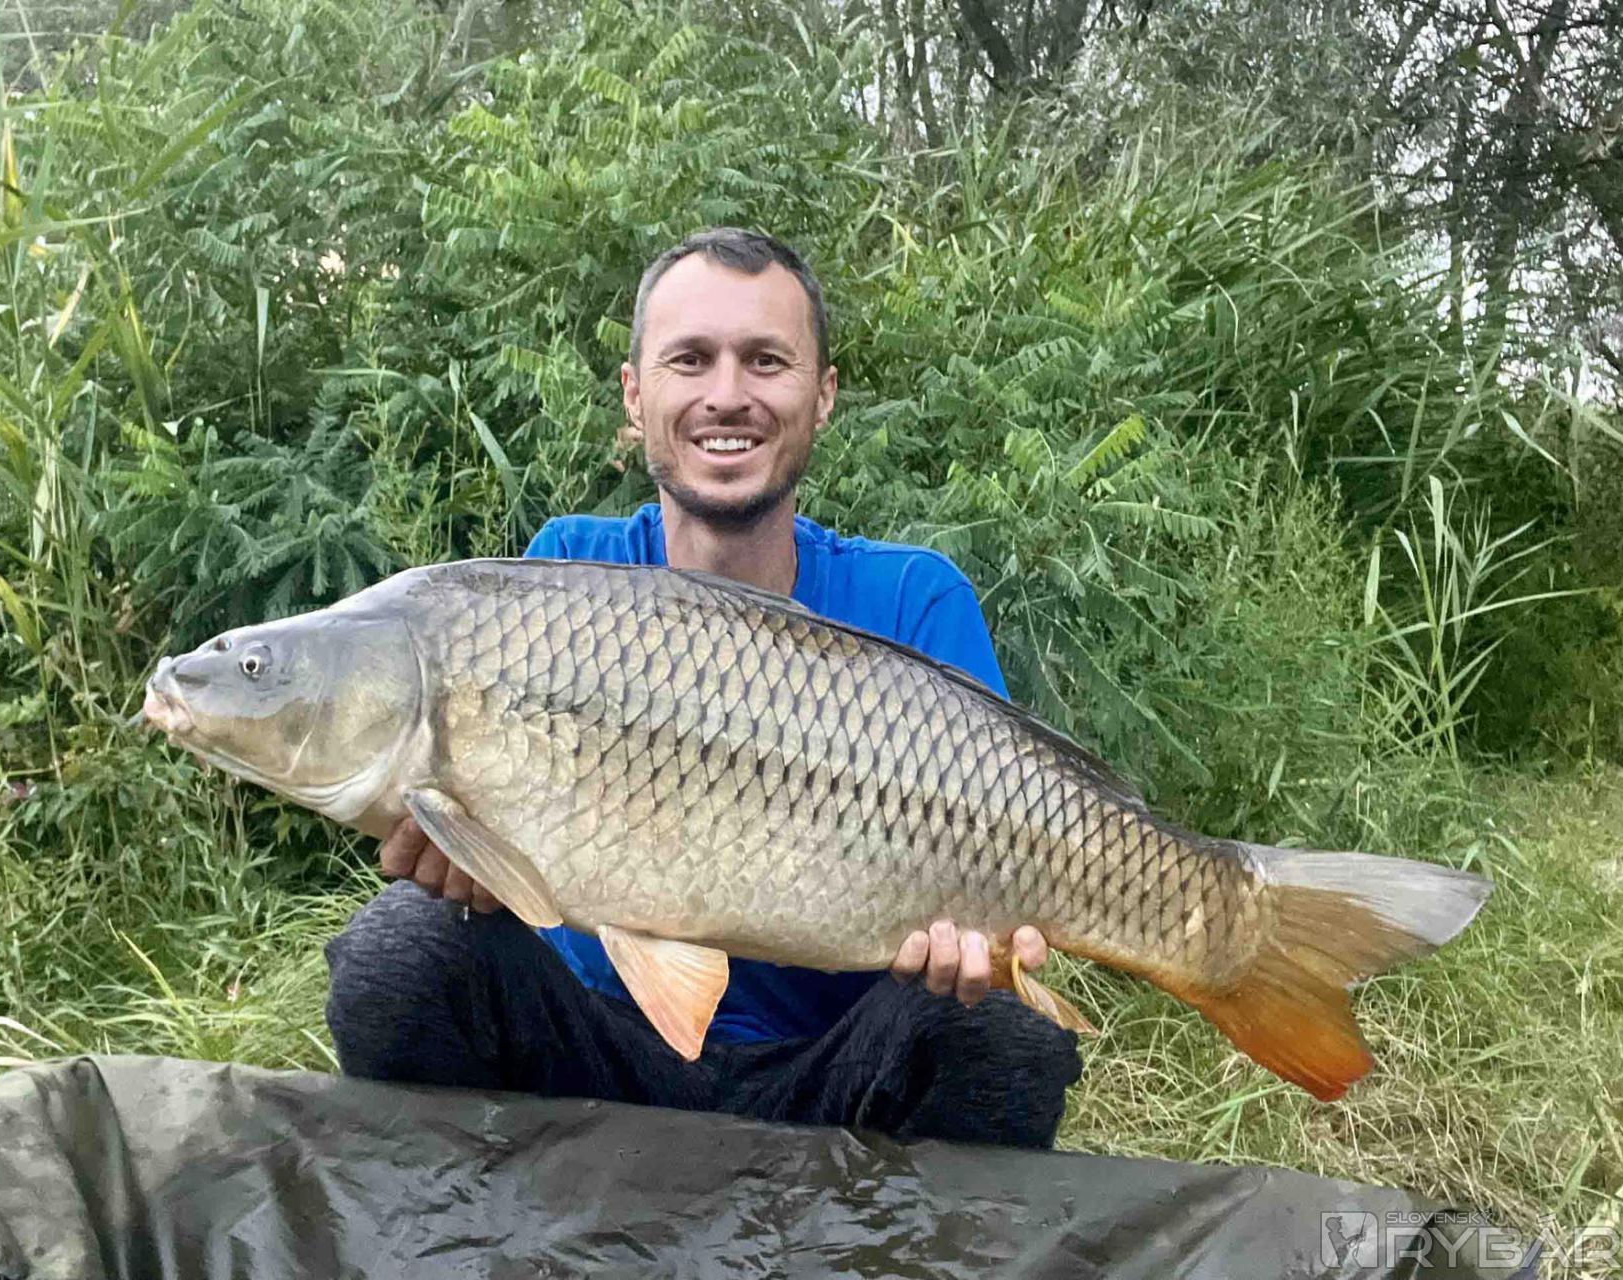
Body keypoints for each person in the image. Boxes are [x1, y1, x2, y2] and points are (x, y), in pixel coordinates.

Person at [325, 228, 1082, 1147]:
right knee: (401, 950)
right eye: (689, 360)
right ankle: (487, 1219)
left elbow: (1010, 845)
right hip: (595, 1051)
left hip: (835, 1071)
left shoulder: (912, 600)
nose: (727, 394)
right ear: (635, 394)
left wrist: (979, 948)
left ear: (822, 394)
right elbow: (506, 859)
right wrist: (470, 870)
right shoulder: (563, 574)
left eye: (765, 361)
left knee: (1000, 1026)